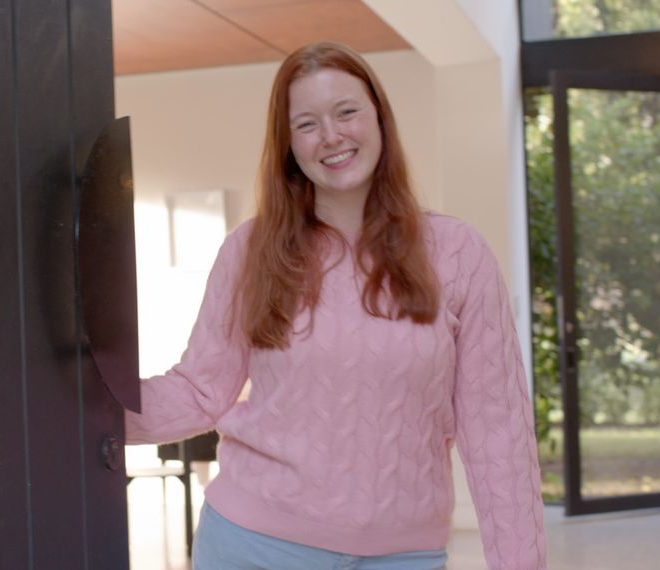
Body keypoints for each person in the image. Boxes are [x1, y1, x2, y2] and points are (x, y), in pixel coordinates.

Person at [126, 41, 547, 570]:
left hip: (404, 556)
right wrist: (79, 413)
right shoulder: (250, 250)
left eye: (346, 112)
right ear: (289, 146)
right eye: (306, 124)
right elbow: (199, 389)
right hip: (253, 545)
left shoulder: (458, 253)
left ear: (379, 118)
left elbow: (497, 430)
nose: (332, 136)